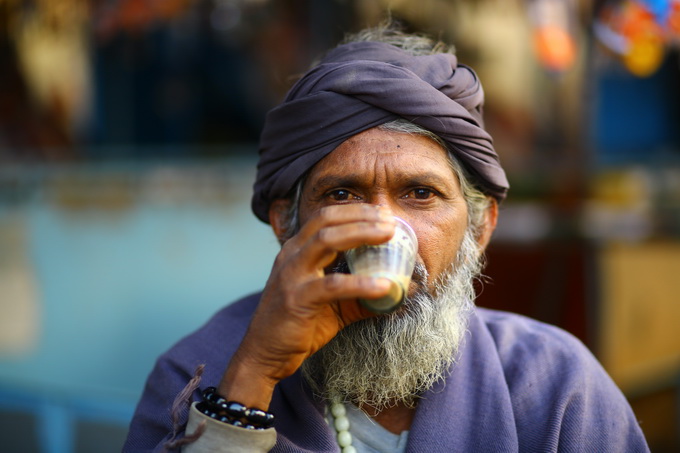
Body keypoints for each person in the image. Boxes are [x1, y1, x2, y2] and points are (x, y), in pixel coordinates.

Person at [124, 22, 649, 452]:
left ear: (482, 226)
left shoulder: (558, 387)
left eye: (420, 193)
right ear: (286, 220)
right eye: (343, 194)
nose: (379, 230)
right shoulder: (196, 374)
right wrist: (254, 376)